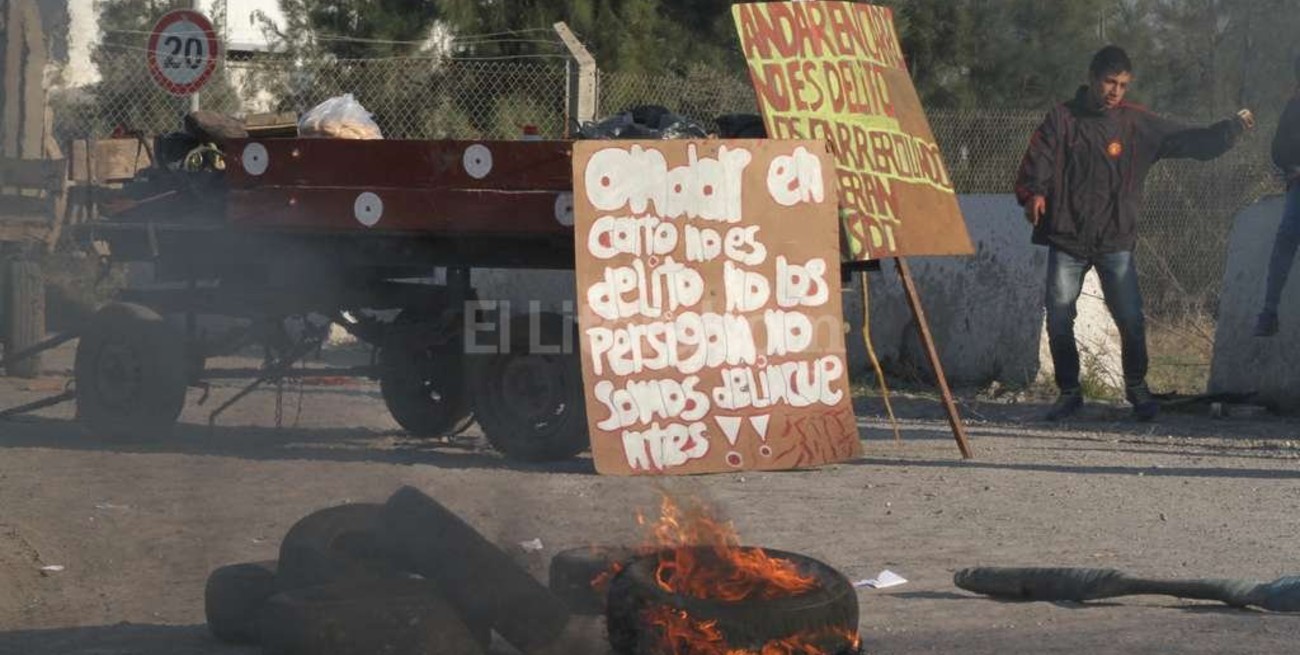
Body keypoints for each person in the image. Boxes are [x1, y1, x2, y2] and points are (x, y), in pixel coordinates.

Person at [1015, 45, 1255, 422]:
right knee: (1060, 318)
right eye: (1110, 82)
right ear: (1093, 78)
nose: (1115, 91)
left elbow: (1190, 139)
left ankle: (1138, 390)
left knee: (1130, 317)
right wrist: (1034, 194)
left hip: (1116, 239)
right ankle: (1070, 392)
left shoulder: (1137, 123)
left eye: (1123, 85)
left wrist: (1230, 130)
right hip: (1067, 236)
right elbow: (1038, 160)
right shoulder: (1061, 119)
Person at [1253, 56, 1300, 337]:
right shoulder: (1294, 107)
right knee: (1286, 234)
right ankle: (1269, 312)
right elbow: (1278, 148)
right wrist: (1292, 167)